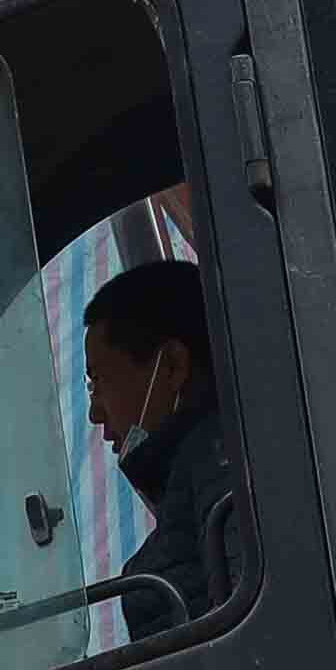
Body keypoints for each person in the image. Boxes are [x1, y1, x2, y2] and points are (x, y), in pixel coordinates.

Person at [81, 259, 245, 639]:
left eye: (98, 382)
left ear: (171, 366)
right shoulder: (201, 468)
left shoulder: (220, 461)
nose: (94, 412)